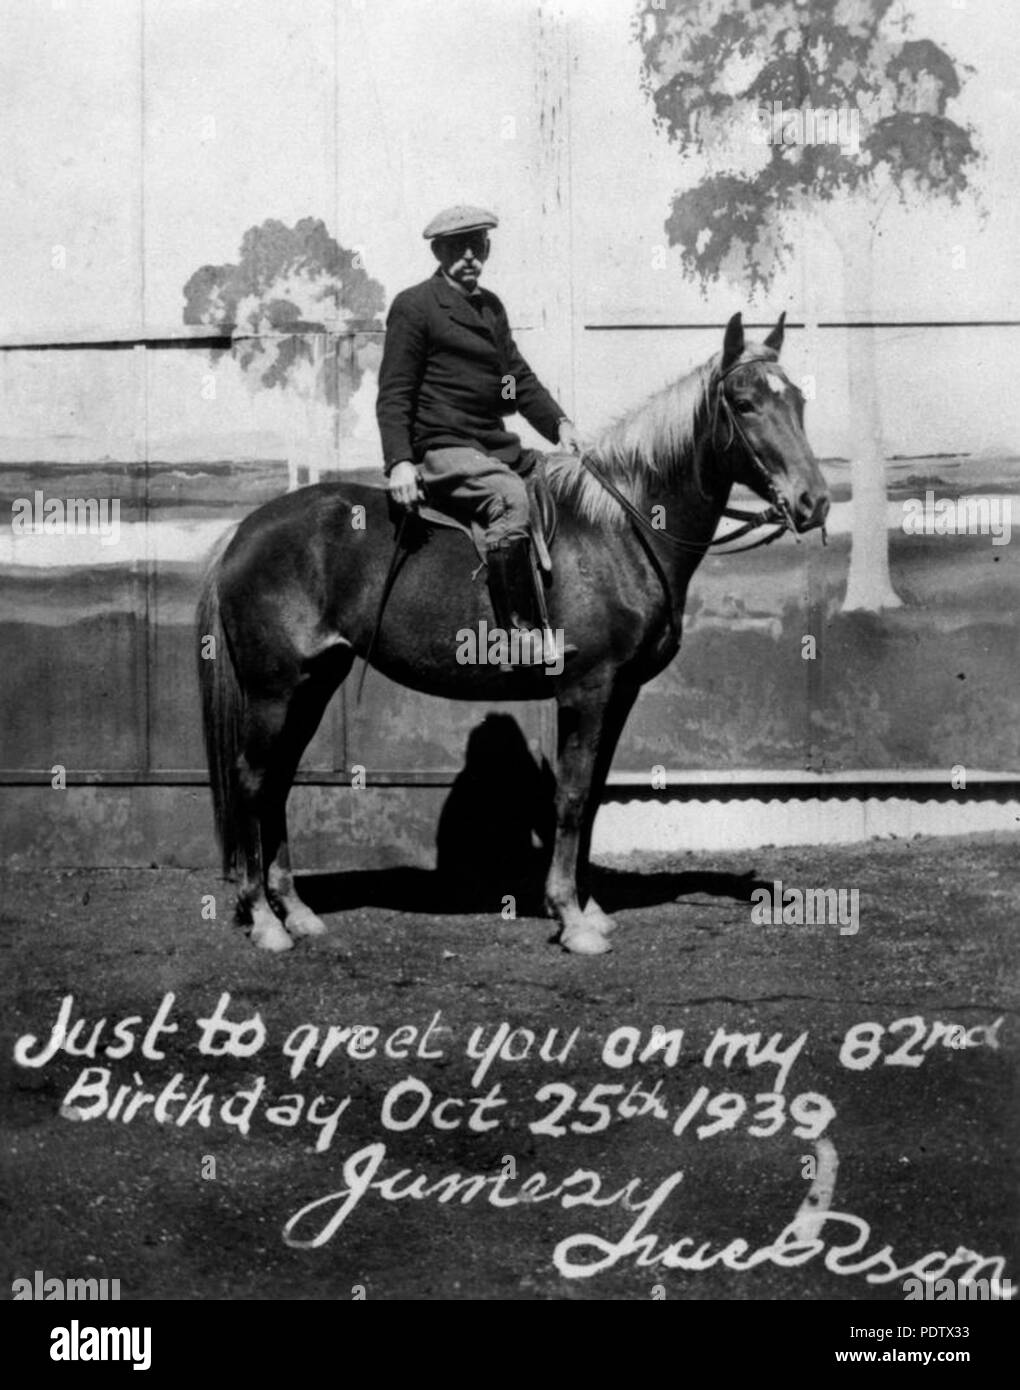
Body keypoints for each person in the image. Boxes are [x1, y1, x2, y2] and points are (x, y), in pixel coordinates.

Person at [376, 204, 581, 665]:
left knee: (570, 479)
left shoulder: (491, 309)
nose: (469, 256)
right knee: (510, 497)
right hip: (444, 447)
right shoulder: (416, 307)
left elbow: (516, 381)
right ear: (439, 251)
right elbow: (395, 391)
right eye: (457, 247)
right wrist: (400, 461)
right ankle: (519, 637)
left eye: (477, 246)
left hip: (491, 445)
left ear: (486, 248)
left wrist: (559, 425)